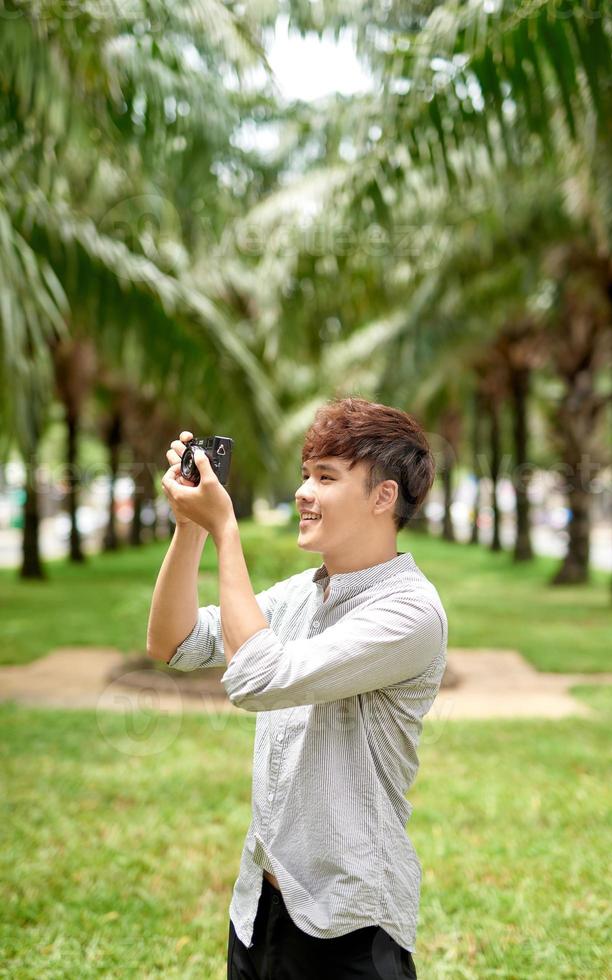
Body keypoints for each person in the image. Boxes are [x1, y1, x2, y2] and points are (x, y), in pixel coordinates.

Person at [147, 396, 448, 980]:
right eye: (306, 474)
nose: (304, 492)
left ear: (384, 496)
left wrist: (225, 527)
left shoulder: (410, 611)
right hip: (259, 906)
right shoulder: (300, 594)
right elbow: (174, 642)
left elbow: (259, 679)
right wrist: (191, 528)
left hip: (349, 924)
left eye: (327, 477)